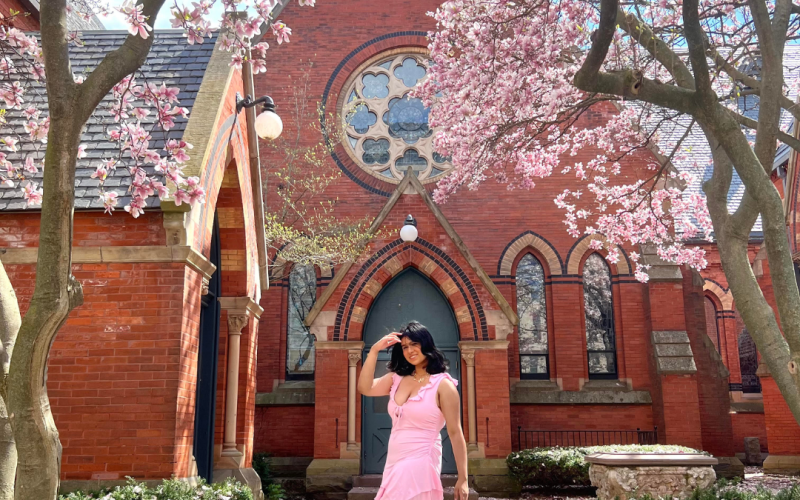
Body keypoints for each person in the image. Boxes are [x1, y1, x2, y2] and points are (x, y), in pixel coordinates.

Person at [357, 321, 469, 500]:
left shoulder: (443, 385)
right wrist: (374, 351)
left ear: (426, 344)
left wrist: (463, 479)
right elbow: (365, 388)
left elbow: (455, 432)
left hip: (422, 458)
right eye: (405, 347)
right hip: (394, 460)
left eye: (414, 344)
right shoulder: (396, 379)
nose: (410, 351)